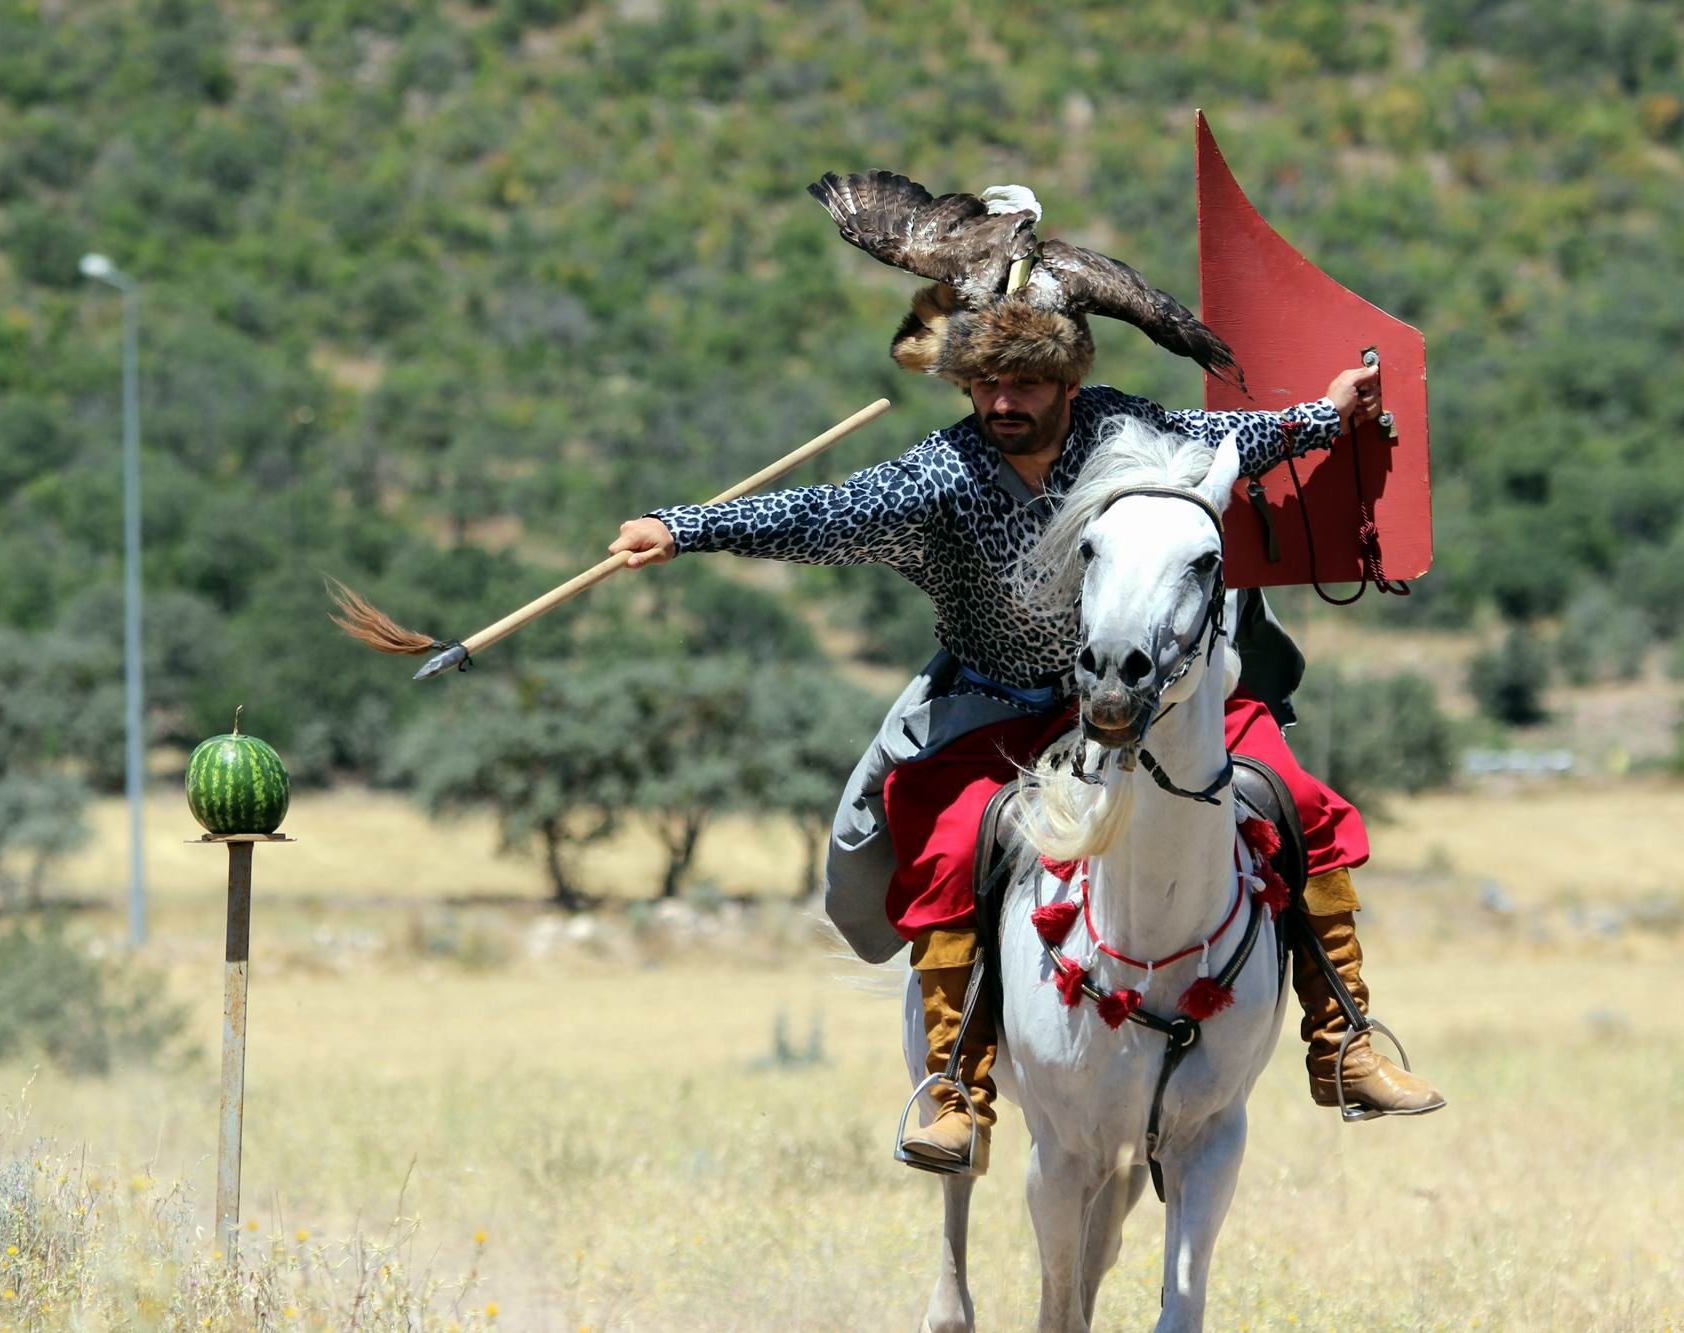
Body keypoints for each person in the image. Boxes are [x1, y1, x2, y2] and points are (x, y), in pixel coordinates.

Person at [609, 306, 1444, 1173]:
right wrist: (684, 528)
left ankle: (1342, 1041)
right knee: (949, 845)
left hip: (1142, 695)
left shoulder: (1120, 432)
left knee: (1300, 802)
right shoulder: (945, 474)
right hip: (994, 706)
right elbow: (828, 512)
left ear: (1070, 385)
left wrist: (1325, 414)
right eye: (986, 383)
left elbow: (1227, 441)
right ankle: (956, 1092)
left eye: (1027, 382)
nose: (1003, 401)